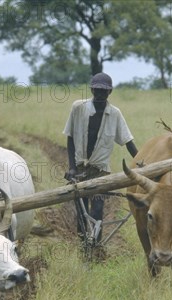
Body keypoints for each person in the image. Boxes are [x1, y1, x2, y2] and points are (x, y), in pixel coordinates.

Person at [63, 72, 138, 247]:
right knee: (82, 211)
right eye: (97, 90)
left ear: (110, 92)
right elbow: (70, 137)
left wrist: (142, 161)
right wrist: (72, 167)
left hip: (100, 172)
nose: (100, 94)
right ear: (91, 89)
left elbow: (128, 141)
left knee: (97, 210)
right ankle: (83, 247)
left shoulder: (115, 114)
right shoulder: (78, 108)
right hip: (80, 170)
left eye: (104, 92)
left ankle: (96, 246)